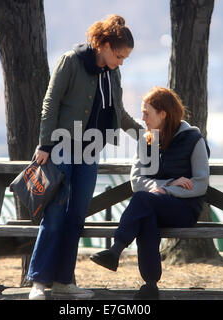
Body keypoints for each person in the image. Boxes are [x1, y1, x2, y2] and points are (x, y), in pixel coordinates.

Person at [28, 14, 142, 300]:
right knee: (54, 214)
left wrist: (145, 136)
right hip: (61, 147)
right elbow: (50, 102)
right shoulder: (71, 61)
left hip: (90, 151)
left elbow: (118, 113)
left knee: (77, 216)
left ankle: (65, 281)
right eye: (118, 55)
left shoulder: (113, 74)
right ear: (103, 45)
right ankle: (39, 283)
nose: (121, 62)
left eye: (125, 58)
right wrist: (44, 144)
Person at [90, 86, 210, 300]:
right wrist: (170, 182)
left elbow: (200, 185)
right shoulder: (146, 142)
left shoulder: (193, 139)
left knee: (143, 201)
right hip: (153, 203)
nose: (142, 118)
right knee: (146, 215)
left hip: (184, 209)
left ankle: (116, 250)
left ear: (163, 114)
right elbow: (137, 181)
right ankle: (150, 286)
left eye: (147, 113)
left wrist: (165, 190)